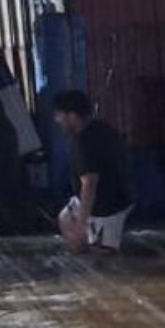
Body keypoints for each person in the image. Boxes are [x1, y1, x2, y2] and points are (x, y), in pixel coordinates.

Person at [53, 89, 134, 254]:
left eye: (60, 115)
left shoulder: (86, 142)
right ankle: (84, 242)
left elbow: (89, 185)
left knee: (101, 255)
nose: (57, 120)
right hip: (96, 199)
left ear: (72, 116)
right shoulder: (97, 128)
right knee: (65, 218)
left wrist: (81, 225)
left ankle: (95, 242)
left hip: (108, 207)